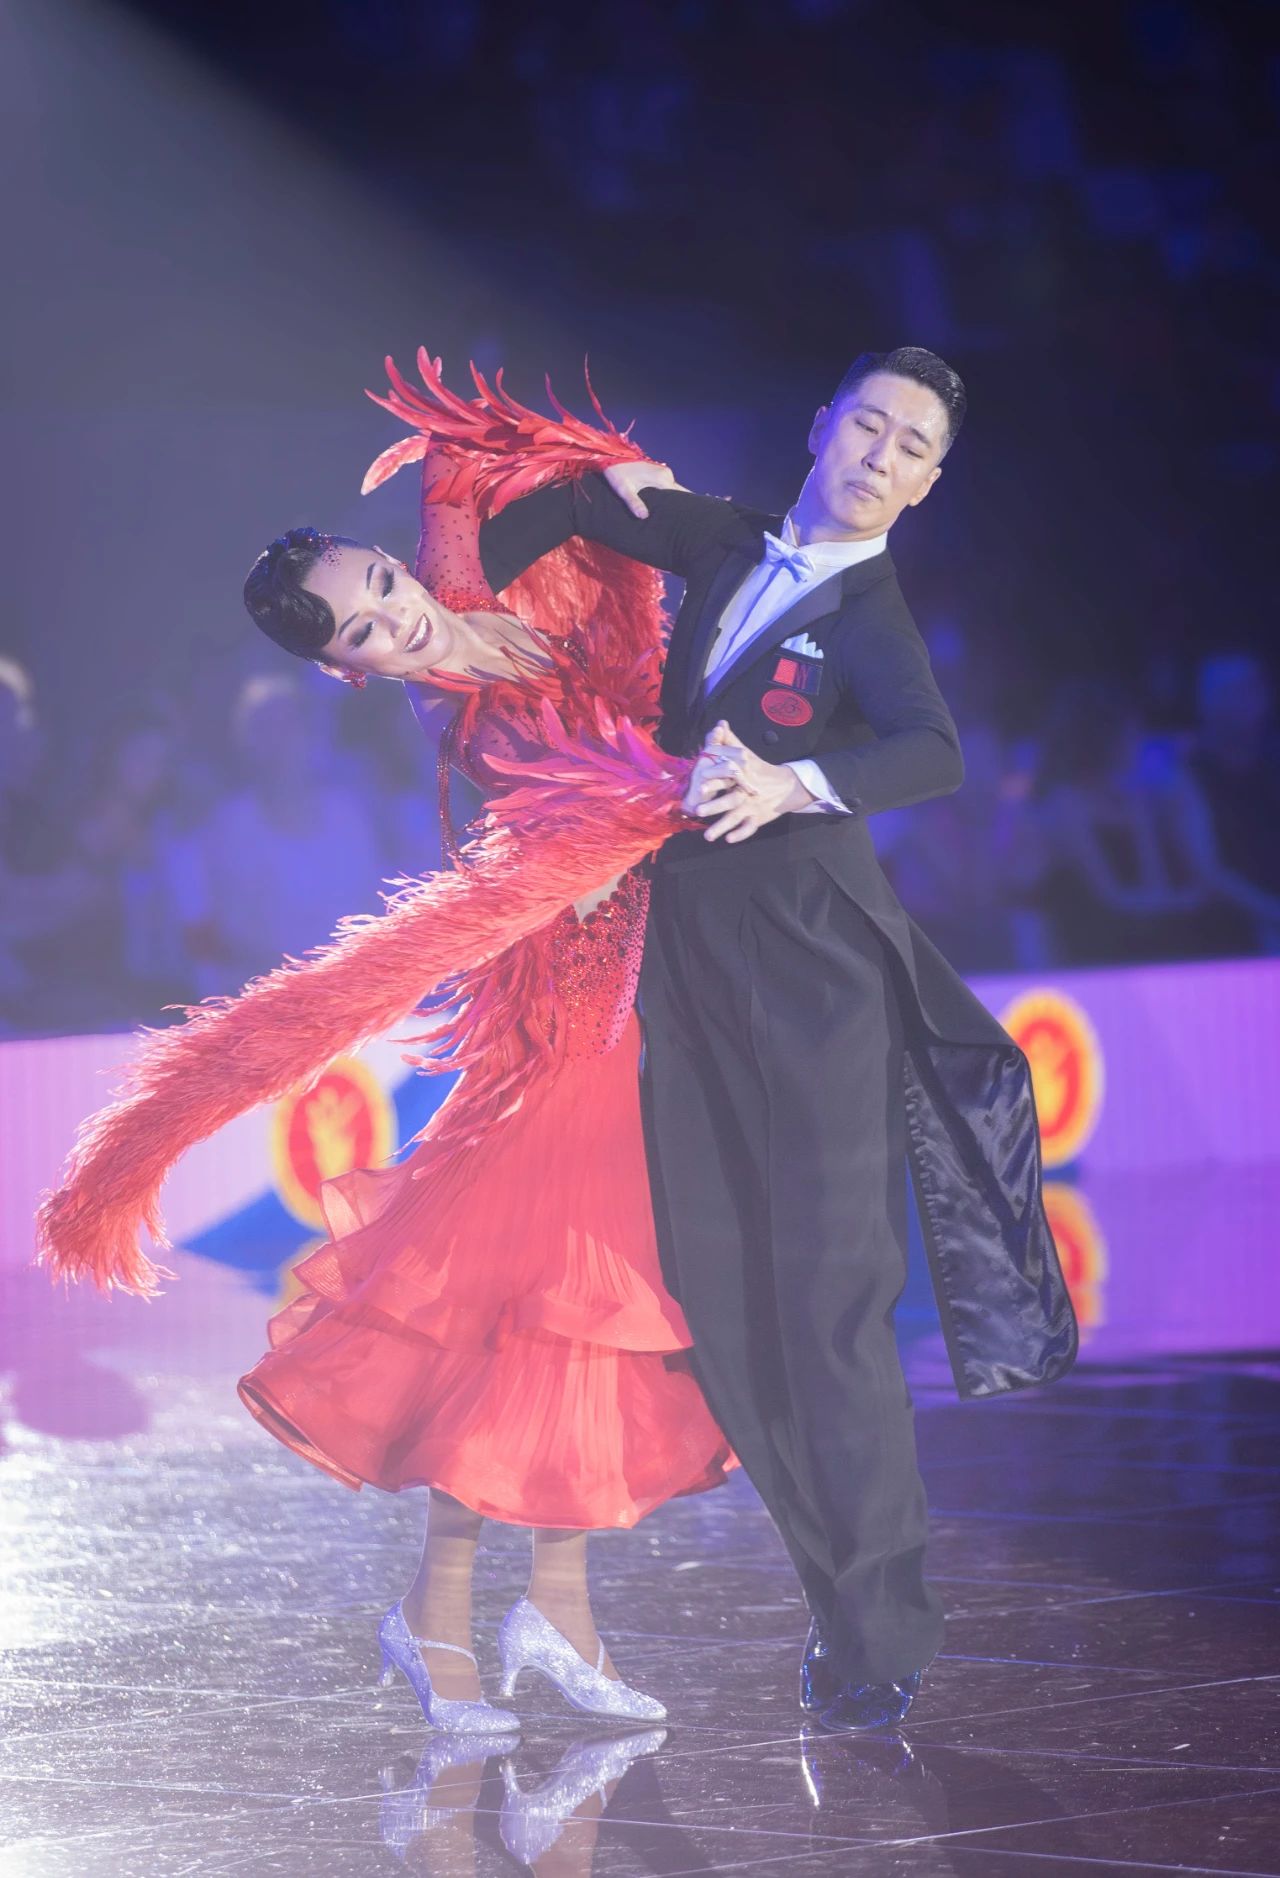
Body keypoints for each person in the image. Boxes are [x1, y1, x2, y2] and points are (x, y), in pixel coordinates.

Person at [36, 370, 736, 1733]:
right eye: (367, 628)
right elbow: (607, 817)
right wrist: (674, 795)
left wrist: (597, 469)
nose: (396, 615)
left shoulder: (461, 589)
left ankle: (530, 1615)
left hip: (618, 1015)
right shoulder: (469, 718)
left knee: (564, 1332)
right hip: (555, 1032)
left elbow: (459, 479)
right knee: (529, 1325)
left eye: (380, 584)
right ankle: (458, 1619)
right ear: (348, 669)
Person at [440, 344, 1079, 1733]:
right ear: (821, 425)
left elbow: (932, 749)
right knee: (723, 1304)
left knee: (829, 1310)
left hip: (817, 981)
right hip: (688, 968)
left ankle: (882, 1632)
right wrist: (458, 615)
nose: (881, 457)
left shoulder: (873, 617)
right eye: (869, 425)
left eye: (913, 448)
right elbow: (578, 505)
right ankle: (839, 1608)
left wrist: (796, 781)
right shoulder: (726, 539)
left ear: (926, 486)